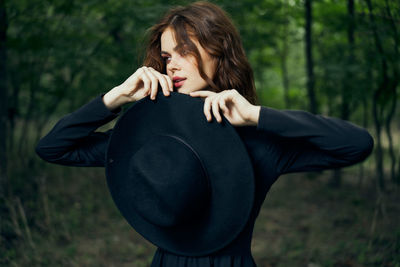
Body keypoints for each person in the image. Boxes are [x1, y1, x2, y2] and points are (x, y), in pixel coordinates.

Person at [35, 1, 374, 266]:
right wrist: (115, 97)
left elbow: (356, 144)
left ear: (218, 51)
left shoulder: (258, 142)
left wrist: (257, 115)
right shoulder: (153, 137)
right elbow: (54, 148)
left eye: (185, 50)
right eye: (167, 56)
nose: (173, 64)